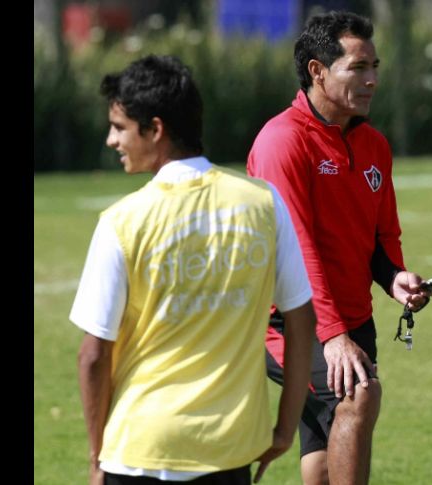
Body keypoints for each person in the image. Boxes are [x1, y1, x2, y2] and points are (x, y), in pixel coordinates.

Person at [71, 54, 316, 485]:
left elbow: (93, 355)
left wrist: (97, 458)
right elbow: (301, 321)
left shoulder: (122, 221)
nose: (112, 140)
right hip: (230, 448)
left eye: (120, 127)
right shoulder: (263, 203)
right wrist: (283, 427)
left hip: (139, 449)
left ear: (156, 129)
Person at [247, 11, 432, 485]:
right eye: (358, 68)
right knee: (358, 396)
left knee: (326, 452)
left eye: (374, 67)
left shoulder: (374, 145)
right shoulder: (282, 142)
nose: (371, 80)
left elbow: (381, 239)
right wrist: (332, 338)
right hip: (289, 321)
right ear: (317, 71)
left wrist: (396, 279)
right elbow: (298, 250)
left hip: (352, 320)